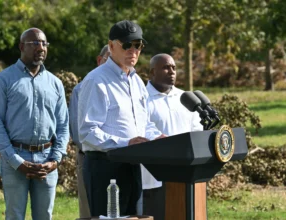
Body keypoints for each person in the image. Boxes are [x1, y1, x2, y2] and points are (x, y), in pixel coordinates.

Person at [77, 20, 165, 217]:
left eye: (138, 45)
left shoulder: (137, 82)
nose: (133, 50)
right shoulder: (96, 80)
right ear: (111, 46)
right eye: (126, 45)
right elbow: (87, 132)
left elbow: (144, 124)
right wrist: (126, 143)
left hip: (133, 166)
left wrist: (157, 138)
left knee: (133, 217)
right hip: (105, 167)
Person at [0, 28, 69, 220]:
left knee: (44, 216)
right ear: (21, 46)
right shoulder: (3, 80)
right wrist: (16, 161)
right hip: (15, 157)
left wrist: (55, 159)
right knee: (15, 216)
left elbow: (64, 125)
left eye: (44, 43)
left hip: (46, 159)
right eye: (35, 43)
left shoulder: (55, 83)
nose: (41, 47)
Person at [141, 53, 203, 219]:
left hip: (185, 175)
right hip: (154, 180)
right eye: (166, 67)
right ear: (152, 72)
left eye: (174, 68)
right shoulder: (141, 99)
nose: (171, 71)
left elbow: (196, 130)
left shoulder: (186, 98)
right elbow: (142, 130)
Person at [69, 45, 110, 218]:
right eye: (109, 58)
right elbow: (79, 133)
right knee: (90, 213)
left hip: (121, 160)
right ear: (99, 60)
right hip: (90, 159)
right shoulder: (83, 88)